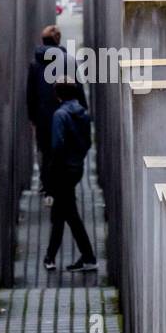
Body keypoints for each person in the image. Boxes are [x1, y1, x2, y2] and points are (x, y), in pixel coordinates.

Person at [43, 80, 97, 273]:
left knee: (69, 215)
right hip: (76, 169)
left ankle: (88, 257)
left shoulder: (60, 115)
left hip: (62, 170)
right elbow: (89, 143)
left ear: (58, 95)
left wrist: (51, 174)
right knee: (61, 213)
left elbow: (57, 146)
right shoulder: (83, 113)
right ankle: (50, 257)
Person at [26, 25, 85, 196]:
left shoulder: (35, 64)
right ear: (58, 40)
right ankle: (63, 187)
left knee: (45, 150)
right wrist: (83, 111)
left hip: (42, 116)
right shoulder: (68, 60)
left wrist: (32, 117)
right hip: (66, 113)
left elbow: (30, 93)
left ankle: (47, 186)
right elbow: (78, 88)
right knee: (64, 148)